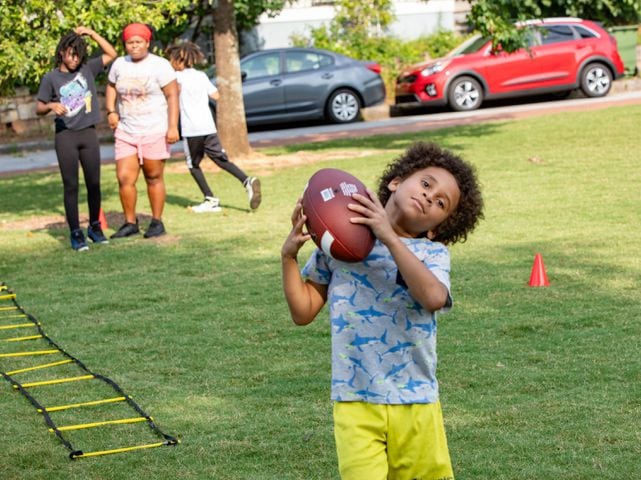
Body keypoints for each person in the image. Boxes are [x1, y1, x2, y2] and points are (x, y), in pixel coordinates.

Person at [281, 142, 484, 480]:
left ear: (436, 229)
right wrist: (288, 258)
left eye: (440, 204)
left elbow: (433, 297)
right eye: (425, 184)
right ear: (396, 181)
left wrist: (389, 237)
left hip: (415, 400)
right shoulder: (341, 245)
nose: (428, 197)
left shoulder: (431, 255)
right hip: (354, 400)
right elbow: (302, 312)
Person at [36, 26, 117, 251]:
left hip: (88, 134)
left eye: (79, 54)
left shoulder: (87, 69)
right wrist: (52, 105)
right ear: (62, 52)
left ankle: (94, 227)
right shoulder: (51, 77)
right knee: (71, 185)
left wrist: (92, 33)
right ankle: (75, 233)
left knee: (94, 184)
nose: (75, 58)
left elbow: (112, 54)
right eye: (71, 54)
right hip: (66, 137)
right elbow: (39, 107)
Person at [166, 42, 261, 213]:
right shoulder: (201, 76)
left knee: (193, 165)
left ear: (179, 61)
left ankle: (210, 198)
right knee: (220, 160)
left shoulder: (176, 78)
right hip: (208, 127)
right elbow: (216, 95)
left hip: (191, 129)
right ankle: (247, 180)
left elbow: (170, 95)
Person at [105, 23, 179, 238]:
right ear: (125, 44)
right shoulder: (119, 64)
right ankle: (130, 222)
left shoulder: (160, 65)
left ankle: (157, 222)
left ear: (147, 43)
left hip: (154, 129)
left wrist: (173, 126)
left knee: (153, 176)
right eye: (130, 43)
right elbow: (111, 86)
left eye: (138, 42)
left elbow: (172, 95)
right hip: (127, 130)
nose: (134, 46)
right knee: (124, 178)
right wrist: (111, 110)